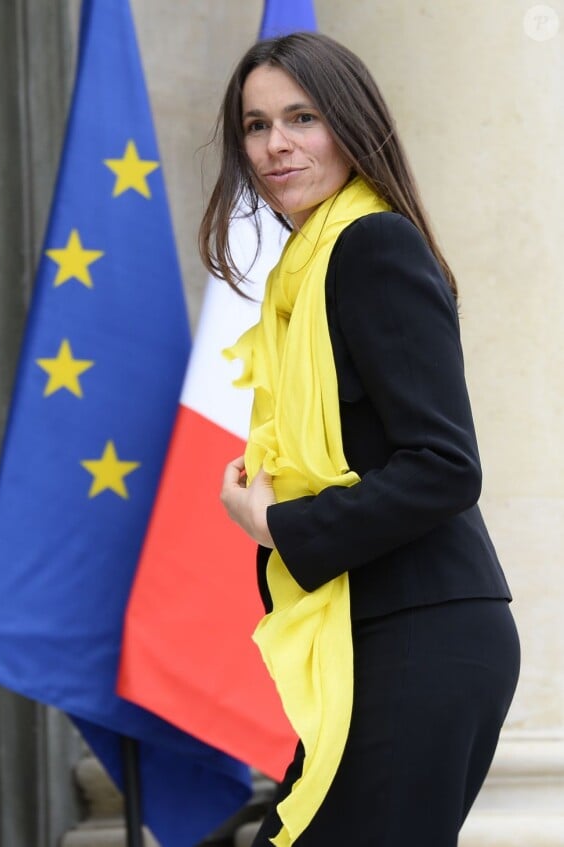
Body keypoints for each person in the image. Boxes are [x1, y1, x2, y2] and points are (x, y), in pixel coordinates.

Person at [199, 32, 520, 847]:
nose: (276, 145)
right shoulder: (301, 271)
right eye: (256, 124)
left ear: (350, 123)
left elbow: (446, 465)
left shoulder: (371, 246)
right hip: (371, 633)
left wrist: (277, 525)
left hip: (423, 627)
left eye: (302, 117)